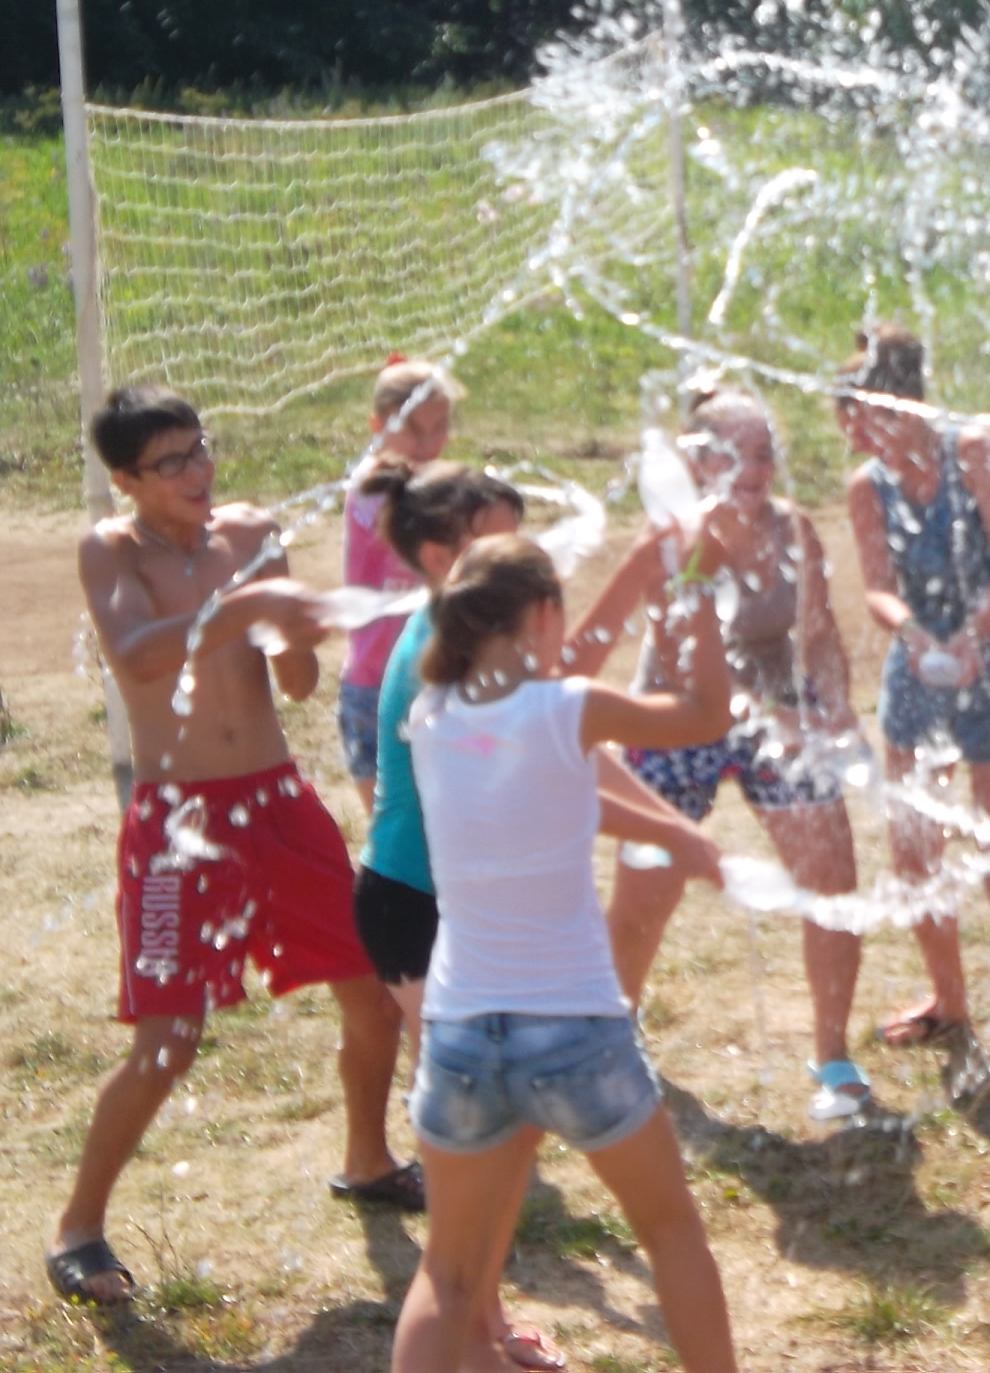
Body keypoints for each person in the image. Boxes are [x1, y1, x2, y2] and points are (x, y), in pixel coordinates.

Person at [356, 459, 720, 1373]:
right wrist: (696, 580)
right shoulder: (566, 709)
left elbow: (555, 782)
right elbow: (704, 711)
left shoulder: (436, 717)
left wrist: (675, 836)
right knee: (672, 1232)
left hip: (461, 1036)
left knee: (447, 1270)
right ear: (543, 618)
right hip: (575, 1030)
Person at [50, 387, 407, 1307]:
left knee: (373, 998)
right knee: (170, 1041)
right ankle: (79, 1227)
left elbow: (295, 681)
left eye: (200, 451)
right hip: (177, 823)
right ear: (126, 479)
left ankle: (368, 1162)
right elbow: (135, 654)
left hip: (279, 803)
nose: (198, 473)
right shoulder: (111, 549)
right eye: (171, 463)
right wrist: (249, 602)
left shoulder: (250, 533)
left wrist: (287, 627)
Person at [610, 388, 878, 1120]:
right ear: (698, 460)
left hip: (782, 715)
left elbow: (818, 631)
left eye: (765, 453)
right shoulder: (674, 536)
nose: (755, 468)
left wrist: (835, 705)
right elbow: (681, 650)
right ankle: (615, 1031)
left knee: (832, 878)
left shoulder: (793, 528)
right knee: (644, 897)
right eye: (737, 453)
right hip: (675, 714)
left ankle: (832, 1055)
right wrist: (778, 714)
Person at [839, 328, 990, 1061]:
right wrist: (919, 638)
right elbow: (877, 591)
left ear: (908, 406)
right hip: (922, 660)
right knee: (914, 843)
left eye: (872, 419)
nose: (864, 436)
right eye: (856, 425)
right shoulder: (868, 486)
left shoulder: (973, 452)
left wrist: (976, 638)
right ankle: (951, 1002)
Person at [339, 359, 455, 814]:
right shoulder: (373, 487)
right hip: (375, 680)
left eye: (439, 427)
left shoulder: (433, 484)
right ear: (377, 426)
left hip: (435, 677)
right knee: (391, 826)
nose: (428, 444)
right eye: (412, 429)